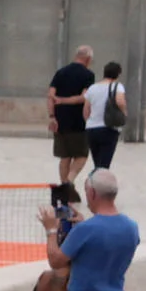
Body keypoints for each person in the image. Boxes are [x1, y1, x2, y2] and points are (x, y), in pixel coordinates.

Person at [48, 44, 96, 187]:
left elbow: (50, 95)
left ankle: (64, 186)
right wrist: (65, 100)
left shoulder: (60, 72)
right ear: (88, 59)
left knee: (65, 156)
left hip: (60, 119)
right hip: (78, 120)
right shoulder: (88, 75)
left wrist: (52, 116)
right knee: (81, 155)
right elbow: (84, 97)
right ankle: (69, 181)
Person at [84, 60, 127, 173]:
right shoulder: (117, 86)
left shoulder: (92, 88)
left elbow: (86, 110)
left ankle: (95, 183)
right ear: (118, 74)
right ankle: (96, 185)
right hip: (109, 128)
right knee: (104, 165)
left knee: (97, 162)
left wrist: (89, 121)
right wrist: (124, 113)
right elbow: (120, 102)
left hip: (91, 129)